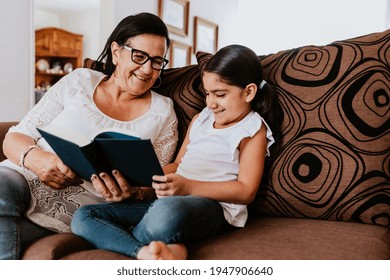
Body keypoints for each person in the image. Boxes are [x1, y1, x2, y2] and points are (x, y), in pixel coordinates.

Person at [71, 44, 283, 260]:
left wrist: (189, 186)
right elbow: (179, 163)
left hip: (212, 206)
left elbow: (246, 191)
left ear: (248, 92)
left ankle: (132, 239)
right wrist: (148, 176)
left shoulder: (252, 129)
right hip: (173, 197)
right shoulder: (202, 119)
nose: (211, 103)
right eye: (207, 93)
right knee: (83, 215)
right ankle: (147, 252)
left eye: (220, 95)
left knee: (166, 213)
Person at [0, 12, 178, 260]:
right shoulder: (79, 80)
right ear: (116, 52)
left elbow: (155, 183)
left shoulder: (163, 113)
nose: (147, 69)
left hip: (78, 213)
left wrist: (134, 193)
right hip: (21, 182)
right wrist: (36, 159)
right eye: (139, 56)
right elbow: (14, 137)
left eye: (157, 61)